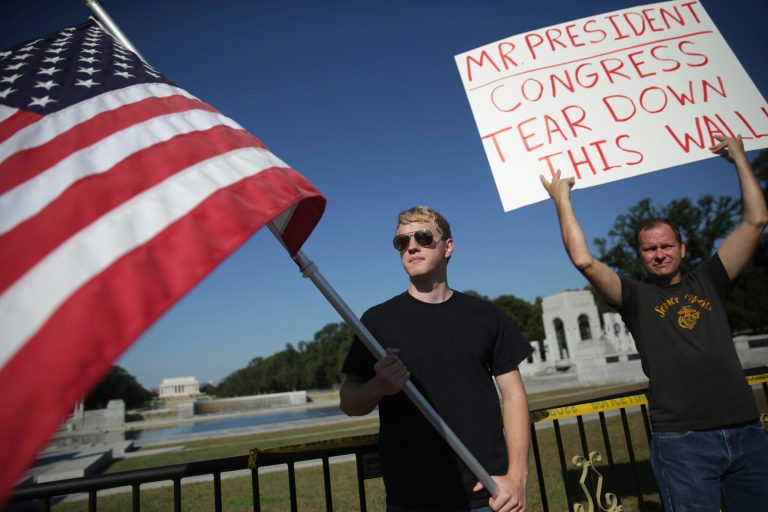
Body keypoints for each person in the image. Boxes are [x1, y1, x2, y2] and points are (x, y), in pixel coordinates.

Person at [540, 134, 768, 510]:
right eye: (650, 249)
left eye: (666, 246)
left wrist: (740, 158)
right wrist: (562, 200)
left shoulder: (710, 278)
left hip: (746, 429)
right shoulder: (634, 297)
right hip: (683, 441)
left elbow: (756, 219)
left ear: (681, 248)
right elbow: (584, 260)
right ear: (640, 255)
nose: (659, 254)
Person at [340, 205, 533, 512]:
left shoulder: (486, 315)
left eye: (423, 236)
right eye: (401, 242)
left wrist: (517, 476)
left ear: (448, 246)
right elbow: (349, 401)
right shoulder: (377, 321)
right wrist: (379, 386)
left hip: (489, 492)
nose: (411, 246)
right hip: (413, 497)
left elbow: (513, 394)